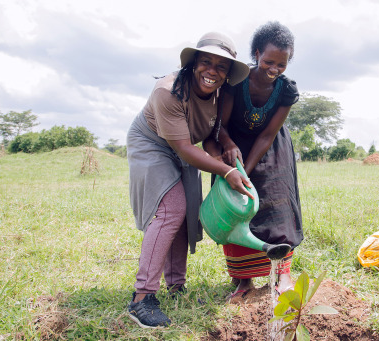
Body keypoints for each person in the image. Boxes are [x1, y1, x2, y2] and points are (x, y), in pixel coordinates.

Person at [126, 32, 251, 328]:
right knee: (171, 209)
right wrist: (226, 171)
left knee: (185, 213)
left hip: (184, 146)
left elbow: (209, 132)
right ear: (194, 63)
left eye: (221, 67)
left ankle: (177, 287)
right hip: (152, 142)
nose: (212, 71)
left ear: (228, 74)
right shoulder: (167, 92)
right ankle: (142, 298)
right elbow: (183, 147)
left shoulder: (220, 93)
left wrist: (224, 147)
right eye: (206, 62)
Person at [214, 22, 303, 298]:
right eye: (268, 61)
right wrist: (233, 162)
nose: (274, 69)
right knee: (238, 210)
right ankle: (244, 280)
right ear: (256, 54)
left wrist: (248, 174)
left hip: (273, 149)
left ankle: (281, 275)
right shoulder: (236, 81)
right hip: (234, 148)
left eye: (282, 64)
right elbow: (220, 125)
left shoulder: (286, 91)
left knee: (278, 209)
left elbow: (267, 136)